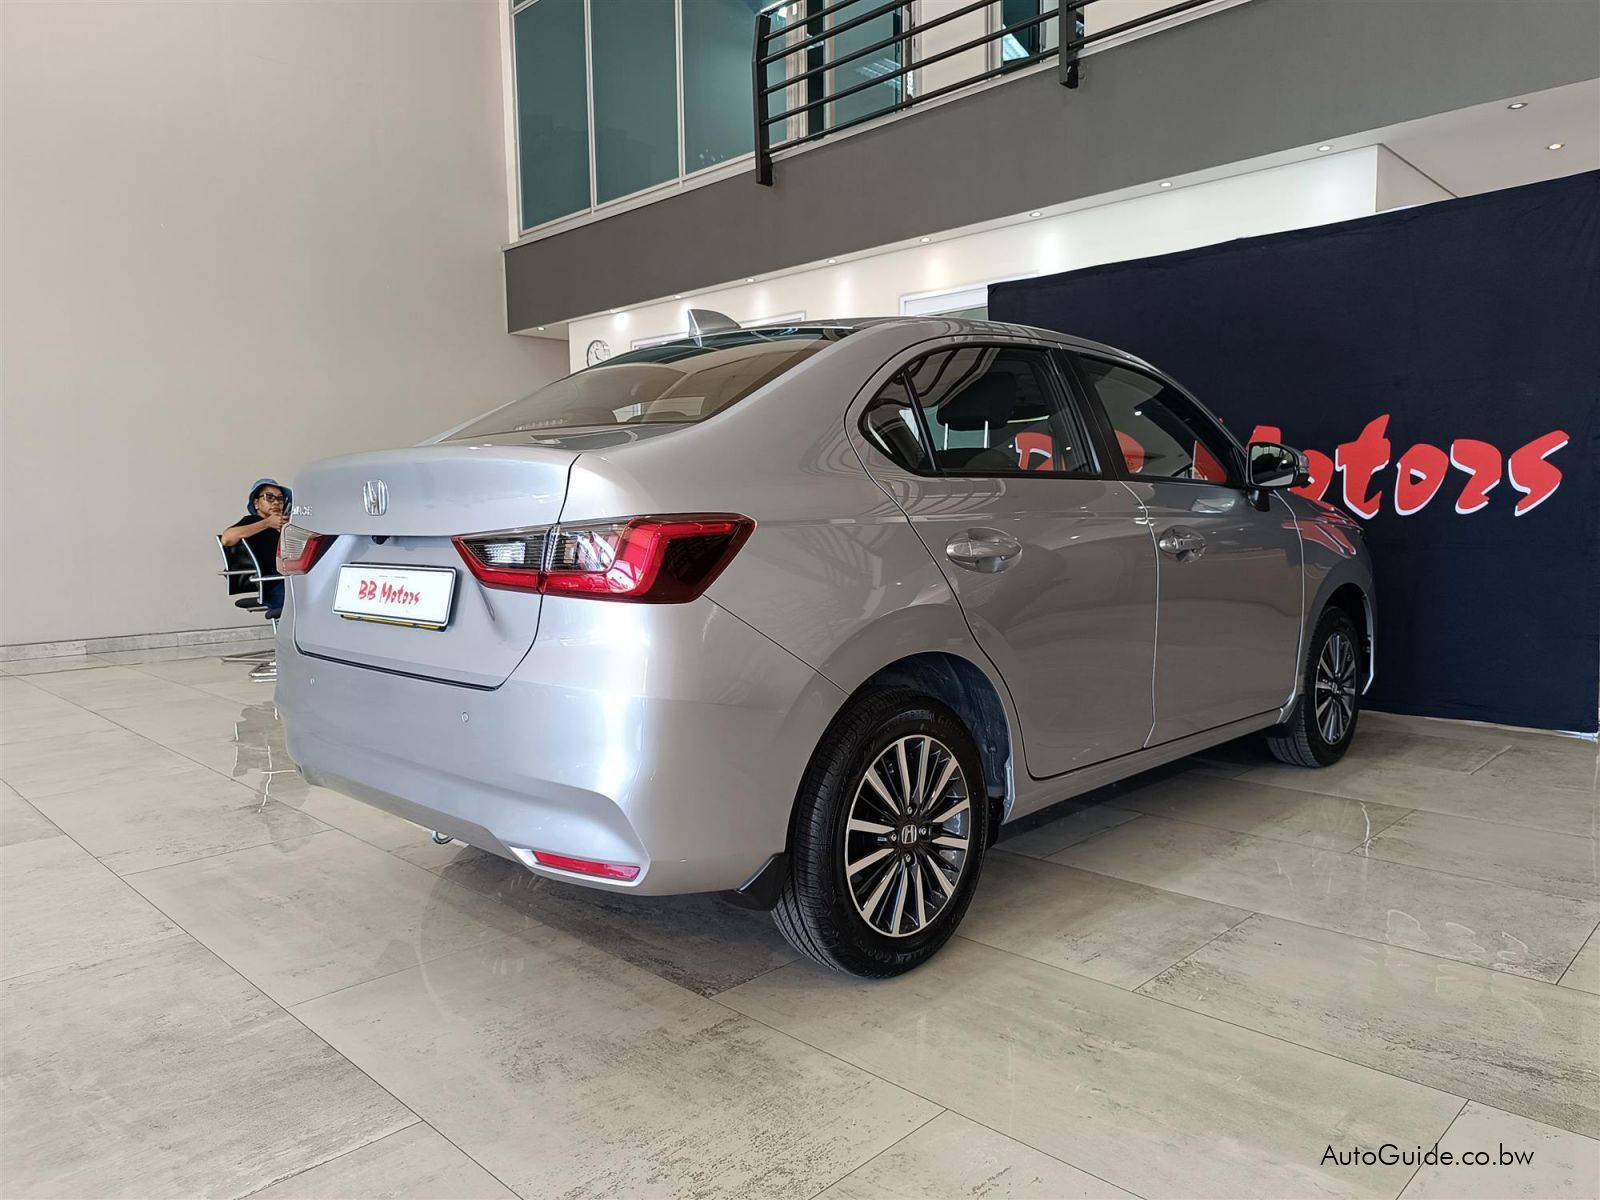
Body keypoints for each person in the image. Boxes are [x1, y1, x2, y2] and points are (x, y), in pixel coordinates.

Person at [221, 478, 290, 612]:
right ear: (256, 503)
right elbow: (227, 538)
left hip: (289, 583)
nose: (276, 502)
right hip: (276, 587)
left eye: (280, 499)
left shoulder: (282, 528)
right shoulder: (253, 521)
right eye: (269, 497)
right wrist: (267, 523)